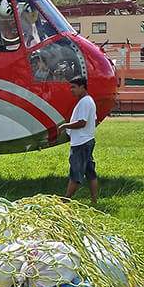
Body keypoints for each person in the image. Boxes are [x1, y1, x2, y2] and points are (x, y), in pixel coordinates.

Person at [57, 76, 99, 205]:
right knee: (90, 172)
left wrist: (65, 126)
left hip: (81, 143)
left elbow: (82, 122)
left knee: (76, 172)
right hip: (87, 140)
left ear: (82, 87)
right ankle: (94, 200)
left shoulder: (85, 102)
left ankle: (66, 200)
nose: (71, 90)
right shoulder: (87, 101)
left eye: (74, 87)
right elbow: (94, 120)